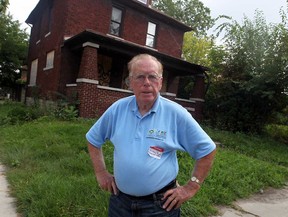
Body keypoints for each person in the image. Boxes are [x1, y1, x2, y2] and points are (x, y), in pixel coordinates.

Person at [86, 53, 216, 217]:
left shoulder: (175, 114)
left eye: (152, 77)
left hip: (160, 206)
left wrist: (192, 187)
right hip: (120, 203)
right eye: (140, 77)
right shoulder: (117, 109)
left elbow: (207, 150)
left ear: (160, 82)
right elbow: (93, 139)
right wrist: (101, 173)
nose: (146, 83)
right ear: (130, 82)